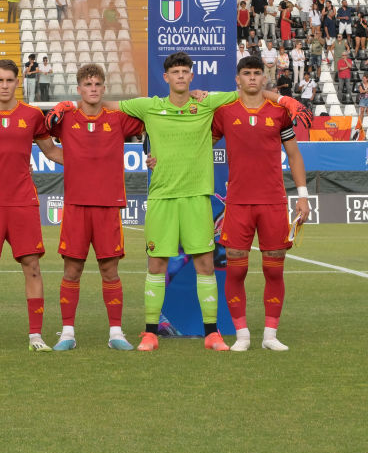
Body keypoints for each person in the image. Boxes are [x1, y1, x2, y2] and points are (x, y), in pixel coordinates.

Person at [48, 51, 308, 352]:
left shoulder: (208, 103)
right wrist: (68, 104)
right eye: (176, 72)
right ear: (166, 77)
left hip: (197, 197)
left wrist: (284, 100)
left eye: (185, 71)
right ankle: (149, 334)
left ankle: (212, 334)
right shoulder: (149, 106)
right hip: (161, 197)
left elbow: (250, 90)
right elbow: (104, 104)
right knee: (157, 263)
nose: (181, 76)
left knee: (205, 263)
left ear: (191, 75)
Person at [210, 56, 311, 351]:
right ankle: (242, 335)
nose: (252, 78)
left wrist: (302, 196)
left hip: (273, 202)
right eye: (246, 73)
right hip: (239, 203)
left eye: (257, 73)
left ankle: (270, 335)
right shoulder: (225, 113)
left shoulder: (279, 113)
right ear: (237, 80)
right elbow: (201, 145)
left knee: (274, 270)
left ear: (264, 79)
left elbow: (293, 155)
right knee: (236, 270)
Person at [0, 61, 62, 352]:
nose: (4, 85)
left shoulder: (32, 115)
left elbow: (52, 151)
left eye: (9, 80)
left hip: (22, 202)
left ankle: (35, 337)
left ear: (17, 82)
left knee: (32, 267)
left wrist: (87, 159)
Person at [44, 65, 143, 351]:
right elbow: (41, 130)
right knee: (71, 270)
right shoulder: (66, 117)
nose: (93, 88)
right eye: (88, 84)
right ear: (79, 89)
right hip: (76, 205)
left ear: (104, 88)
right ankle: (67, 333)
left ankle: (115, 333)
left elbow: (149, 117)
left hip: (108, 205)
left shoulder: (118, 118)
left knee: (109, 270)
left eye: (98, 84)